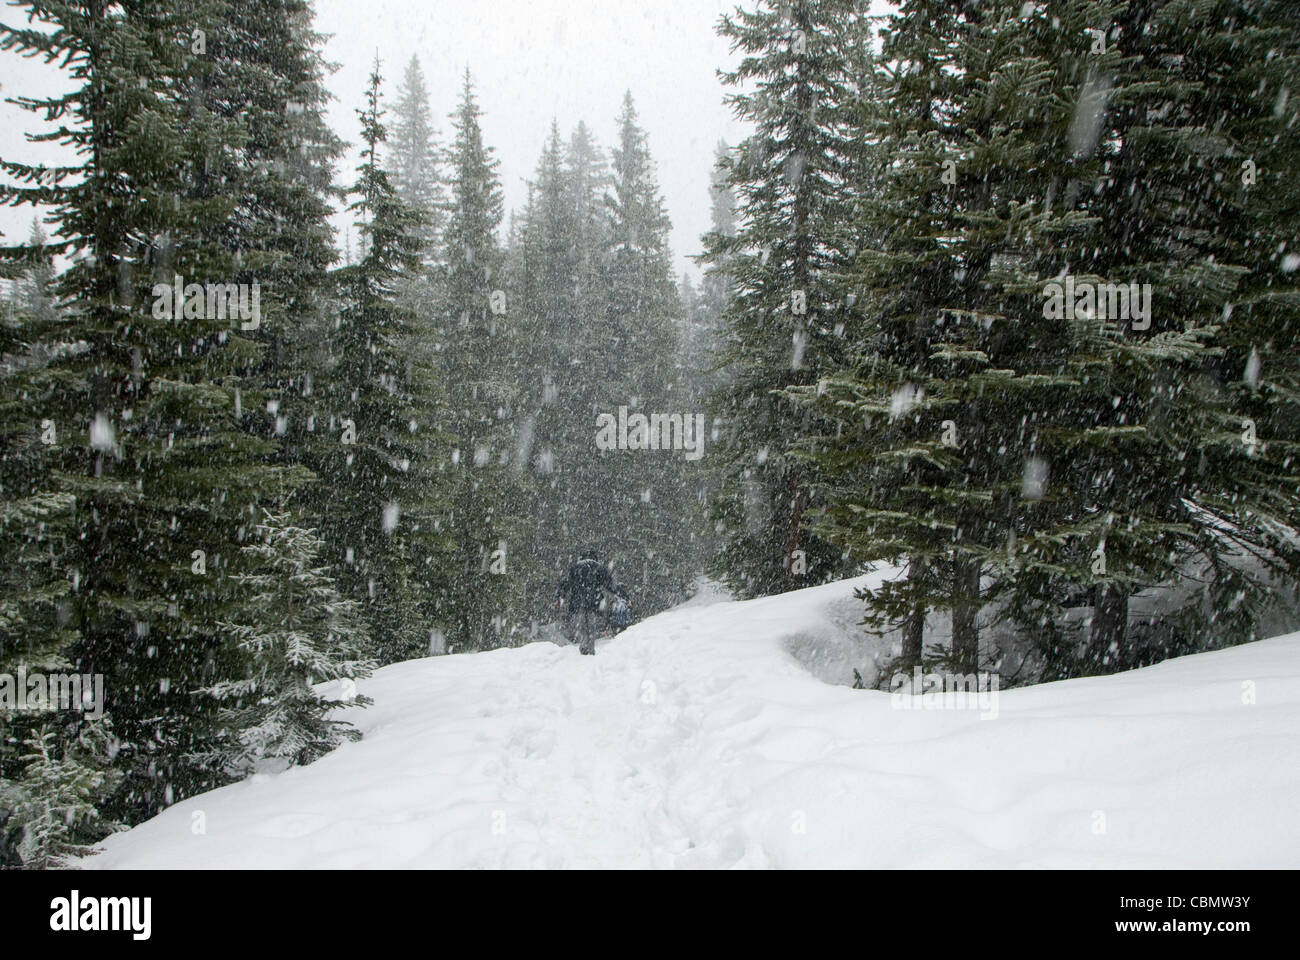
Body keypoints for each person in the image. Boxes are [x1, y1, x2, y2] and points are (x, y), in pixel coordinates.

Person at [555, 548, 614, 655]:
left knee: (581, 626)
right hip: (594, 603)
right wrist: (618, 593)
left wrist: (560, 596)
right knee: (592, 627)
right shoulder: (598, 567)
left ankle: (583, 645)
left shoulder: (575, 568)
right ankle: (591, 649)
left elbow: (566, 583)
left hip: (578, 602)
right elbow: (609, 584)